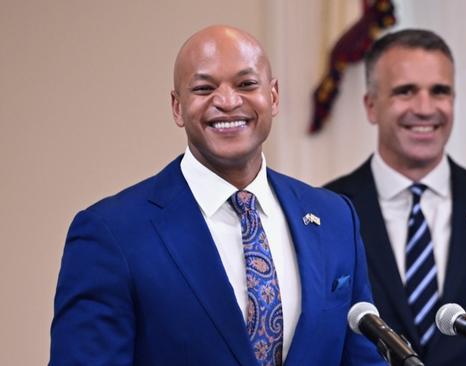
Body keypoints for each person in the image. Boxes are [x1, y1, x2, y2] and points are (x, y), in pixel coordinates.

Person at [50, 25, 384, 366]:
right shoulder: (112, 233)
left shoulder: (334, 218)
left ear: (273, 96)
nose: (227, 101)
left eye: (246, 84)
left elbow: (362, 359)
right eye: (204, 88)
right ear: (177, 107)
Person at [325, 29, 466, 365]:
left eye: (439, 91)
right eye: (405, 91)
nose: (425, 108)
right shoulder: (325, 212)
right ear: (371, 106)